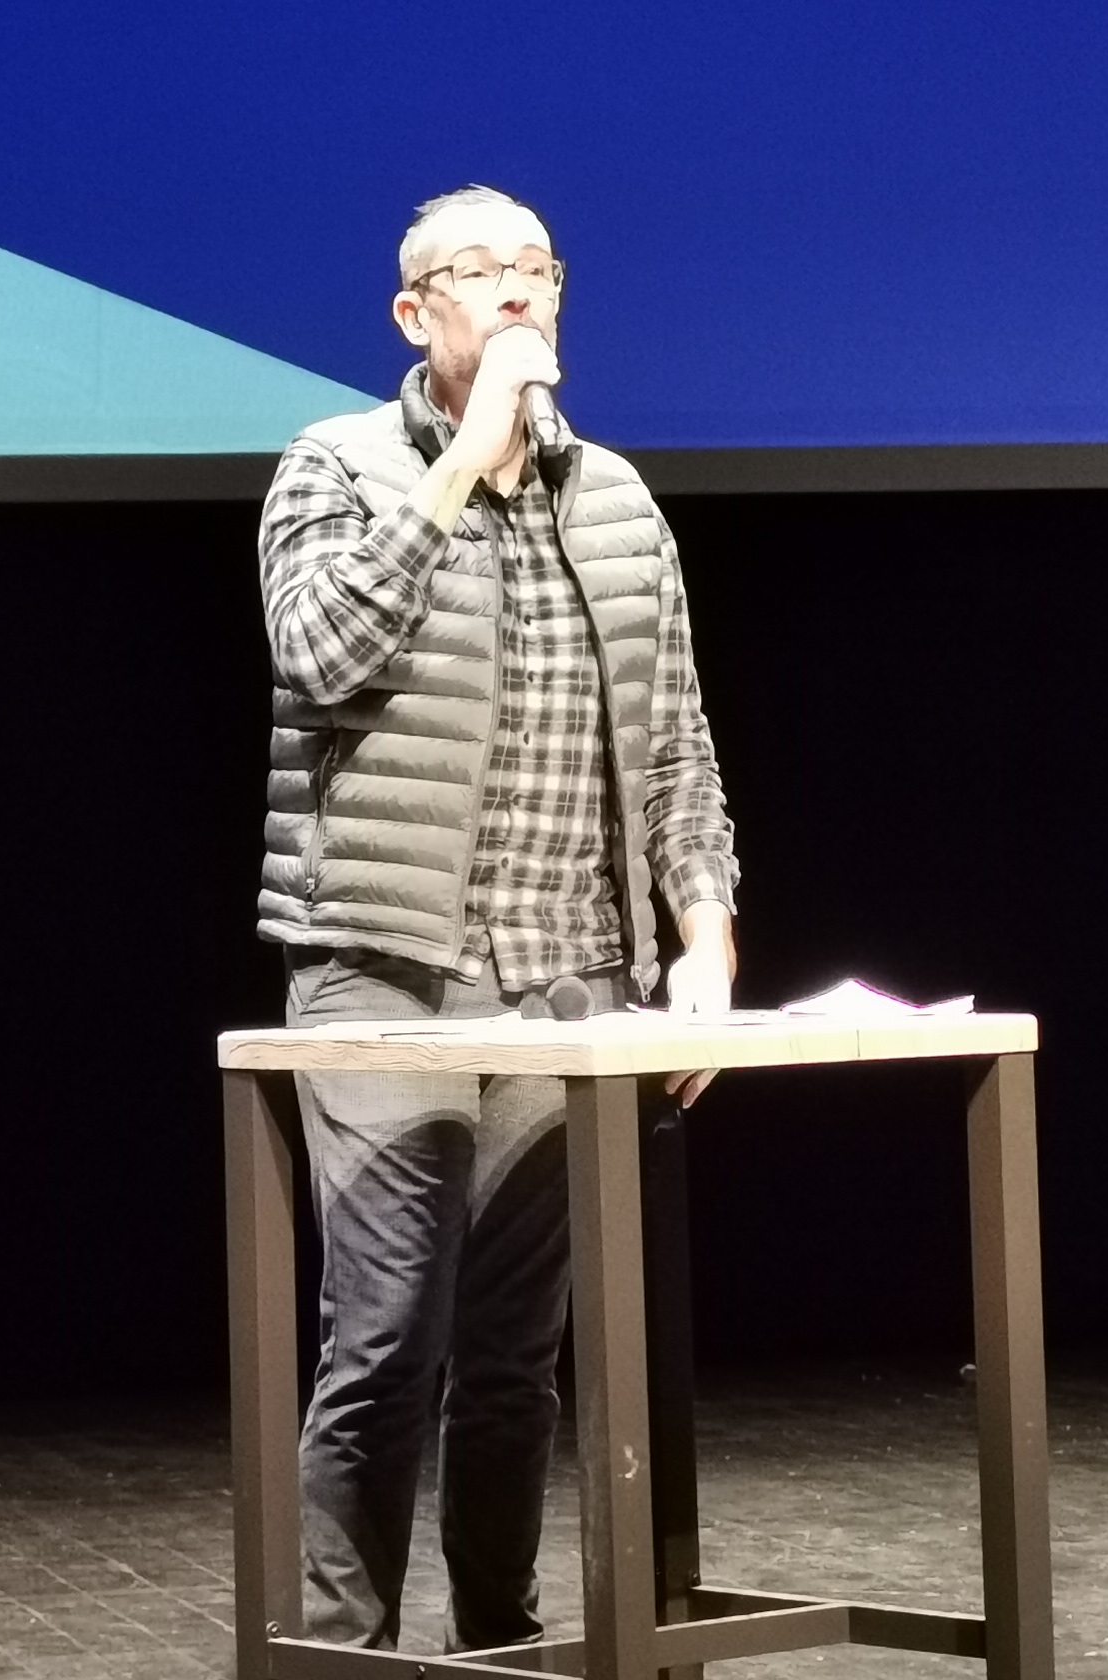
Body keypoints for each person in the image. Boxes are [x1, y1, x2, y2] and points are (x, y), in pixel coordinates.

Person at [252, 183, 742, 1653]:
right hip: (385, 972)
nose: (521, 291)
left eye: (539, 269)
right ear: (416, 314)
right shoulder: (336, 465)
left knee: (519, 1354)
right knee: (386, 1334)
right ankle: (342, 1655)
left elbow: (676, 748)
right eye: (483, 272)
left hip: (569, 981)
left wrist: (705, 940)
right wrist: (460, 466)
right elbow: (317, 652)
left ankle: (501, 1644)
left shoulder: (619, 499)